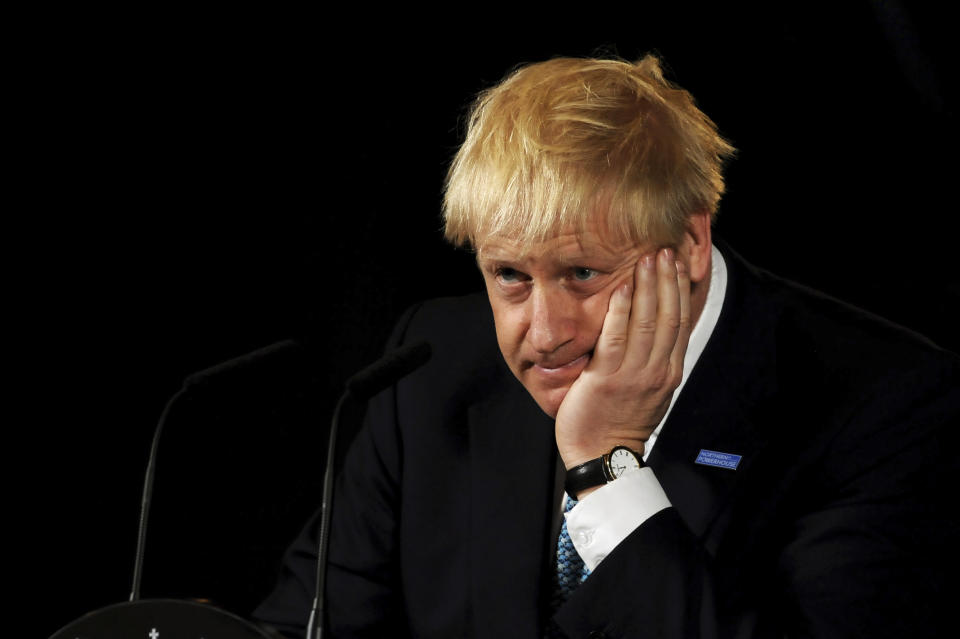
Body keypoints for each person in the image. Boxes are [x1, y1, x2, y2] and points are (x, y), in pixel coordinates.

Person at [255, 55, 959, 638]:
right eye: (509, 276)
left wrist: (607, 467)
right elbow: (300, 625)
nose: (546, 331)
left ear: (688, 242)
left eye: (582, 273)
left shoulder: (884, 401)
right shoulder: (429, 366)